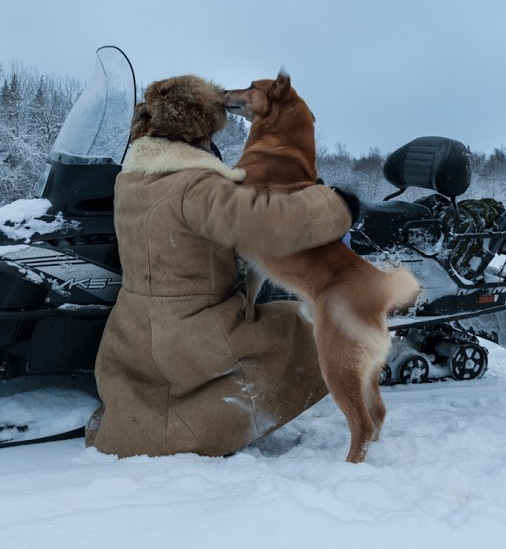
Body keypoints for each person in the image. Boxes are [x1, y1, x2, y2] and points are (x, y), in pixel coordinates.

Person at [85, 74, 359, 457]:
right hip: (195, 331)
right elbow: (267, 224)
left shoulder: (131, 179)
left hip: (131, 333)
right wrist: (336, 204)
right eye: (211, 135)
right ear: (196, 133)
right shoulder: (196, 186)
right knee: (302, 323)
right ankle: (217, 422)